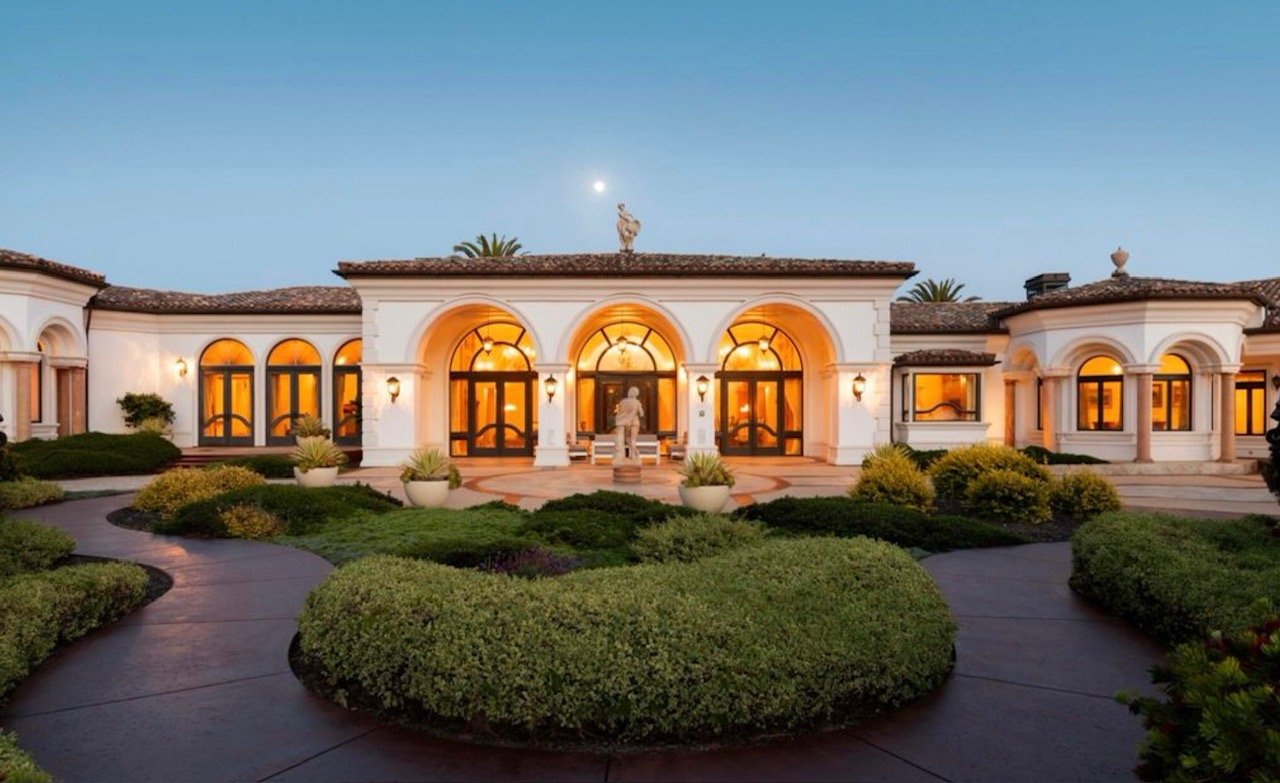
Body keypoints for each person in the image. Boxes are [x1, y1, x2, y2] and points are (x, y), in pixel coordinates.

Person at [614, 387, 644, 461]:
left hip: (625, 422)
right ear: (636, 394)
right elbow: (641, 414)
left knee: (627, 439)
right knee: (633, 439)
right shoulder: (637, 403)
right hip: (635, 422)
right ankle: (635, 455)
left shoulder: (623, 401)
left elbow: (619, 412)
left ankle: (633, 454)